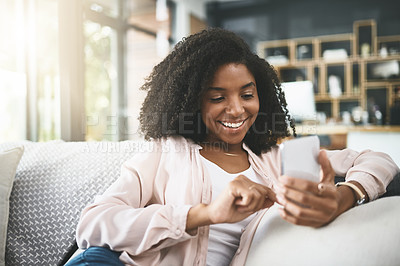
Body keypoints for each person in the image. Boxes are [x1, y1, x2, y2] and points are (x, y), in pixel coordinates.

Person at [66, 28, 399, 266]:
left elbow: (378, 159)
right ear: (193, 102)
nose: (237, 109)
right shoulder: (166, 151)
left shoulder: (274, 161)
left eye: (247, 94)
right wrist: (204, 214)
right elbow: (93, 224)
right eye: (217, 97)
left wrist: (346, 195)